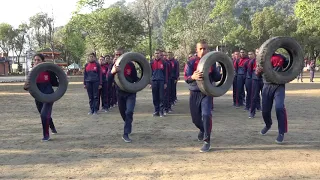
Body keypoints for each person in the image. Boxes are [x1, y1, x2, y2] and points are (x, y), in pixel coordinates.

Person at [184, 40, 221, 152]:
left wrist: (221, 72)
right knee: (195, 119)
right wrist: (193, 77)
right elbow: (186, 78)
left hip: (207, 93)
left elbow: (216, 78)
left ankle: (207, 141)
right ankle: (203, 129)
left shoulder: (212, 62)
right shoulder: (191, 62)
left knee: (206, 114)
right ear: (197, 50)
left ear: (208, 50)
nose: (203, 51)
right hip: (194, 92)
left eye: (205, 48)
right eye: (201, 48)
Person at [23, 54, 59, 141]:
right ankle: (52, 127)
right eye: (35, 60)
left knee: (44, 114)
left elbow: (55, 83)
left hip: (49, 95)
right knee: (44, 114)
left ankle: (46, 136)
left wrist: (64, 79)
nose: (36, 62)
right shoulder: (32, 73)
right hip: (38, 96)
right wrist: (27, 84)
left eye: (38, 60)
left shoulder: (48, 71)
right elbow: (25, 87)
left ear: (43, 61)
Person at [256, 53, 288, 143]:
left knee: (279, 107)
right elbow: (257, 75)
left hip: (279, 85)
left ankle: (281, 132)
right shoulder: (262, 59)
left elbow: (291, 67)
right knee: (265, 110)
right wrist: (258, 72)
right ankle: (268, 124)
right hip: (267, 85)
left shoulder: (281, 57)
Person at [108, 48, 139, 143]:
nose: (117, 56)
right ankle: (128, 123)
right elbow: (108, 81)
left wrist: (146, 81)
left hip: (130, 93)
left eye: (119, 54)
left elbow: (135, 78)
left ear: (124, 55)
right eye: (116, 54)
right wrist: (112, 72)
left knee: (129, 112)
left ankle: (125, 134)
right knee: (124, 114)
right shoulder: (112, 66)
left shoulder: (130, 65)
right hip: (120, 93)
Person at [150, 49, 167, 117]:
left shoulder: (163, 62)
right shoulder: (151, 63)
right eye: (156, 53)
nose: (157, 54)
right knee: (155, 97)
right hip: (154, 81)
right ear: (154, 54)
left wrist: (165, 83)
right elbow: (150, 73)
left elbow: (166, 73)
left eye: (158, 53)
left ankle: (161, 111)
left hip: (161, 81)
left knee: (161, 97)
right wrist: (150, 82)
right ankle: (156, 110)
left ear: (160, 54)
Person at [248, 48, 263, 118]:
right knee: (254, 97)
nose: (258, 53)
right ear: (255, 53)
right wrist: (254, 76)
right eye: (257, 52)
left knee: (265, 96)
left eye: (259, 52)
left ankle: (265, 112)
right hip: (255, 80)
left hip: (263, 80)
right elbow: (249, 71)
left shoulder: (264, 61)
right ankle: (252, 112)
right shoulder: (252, 61)